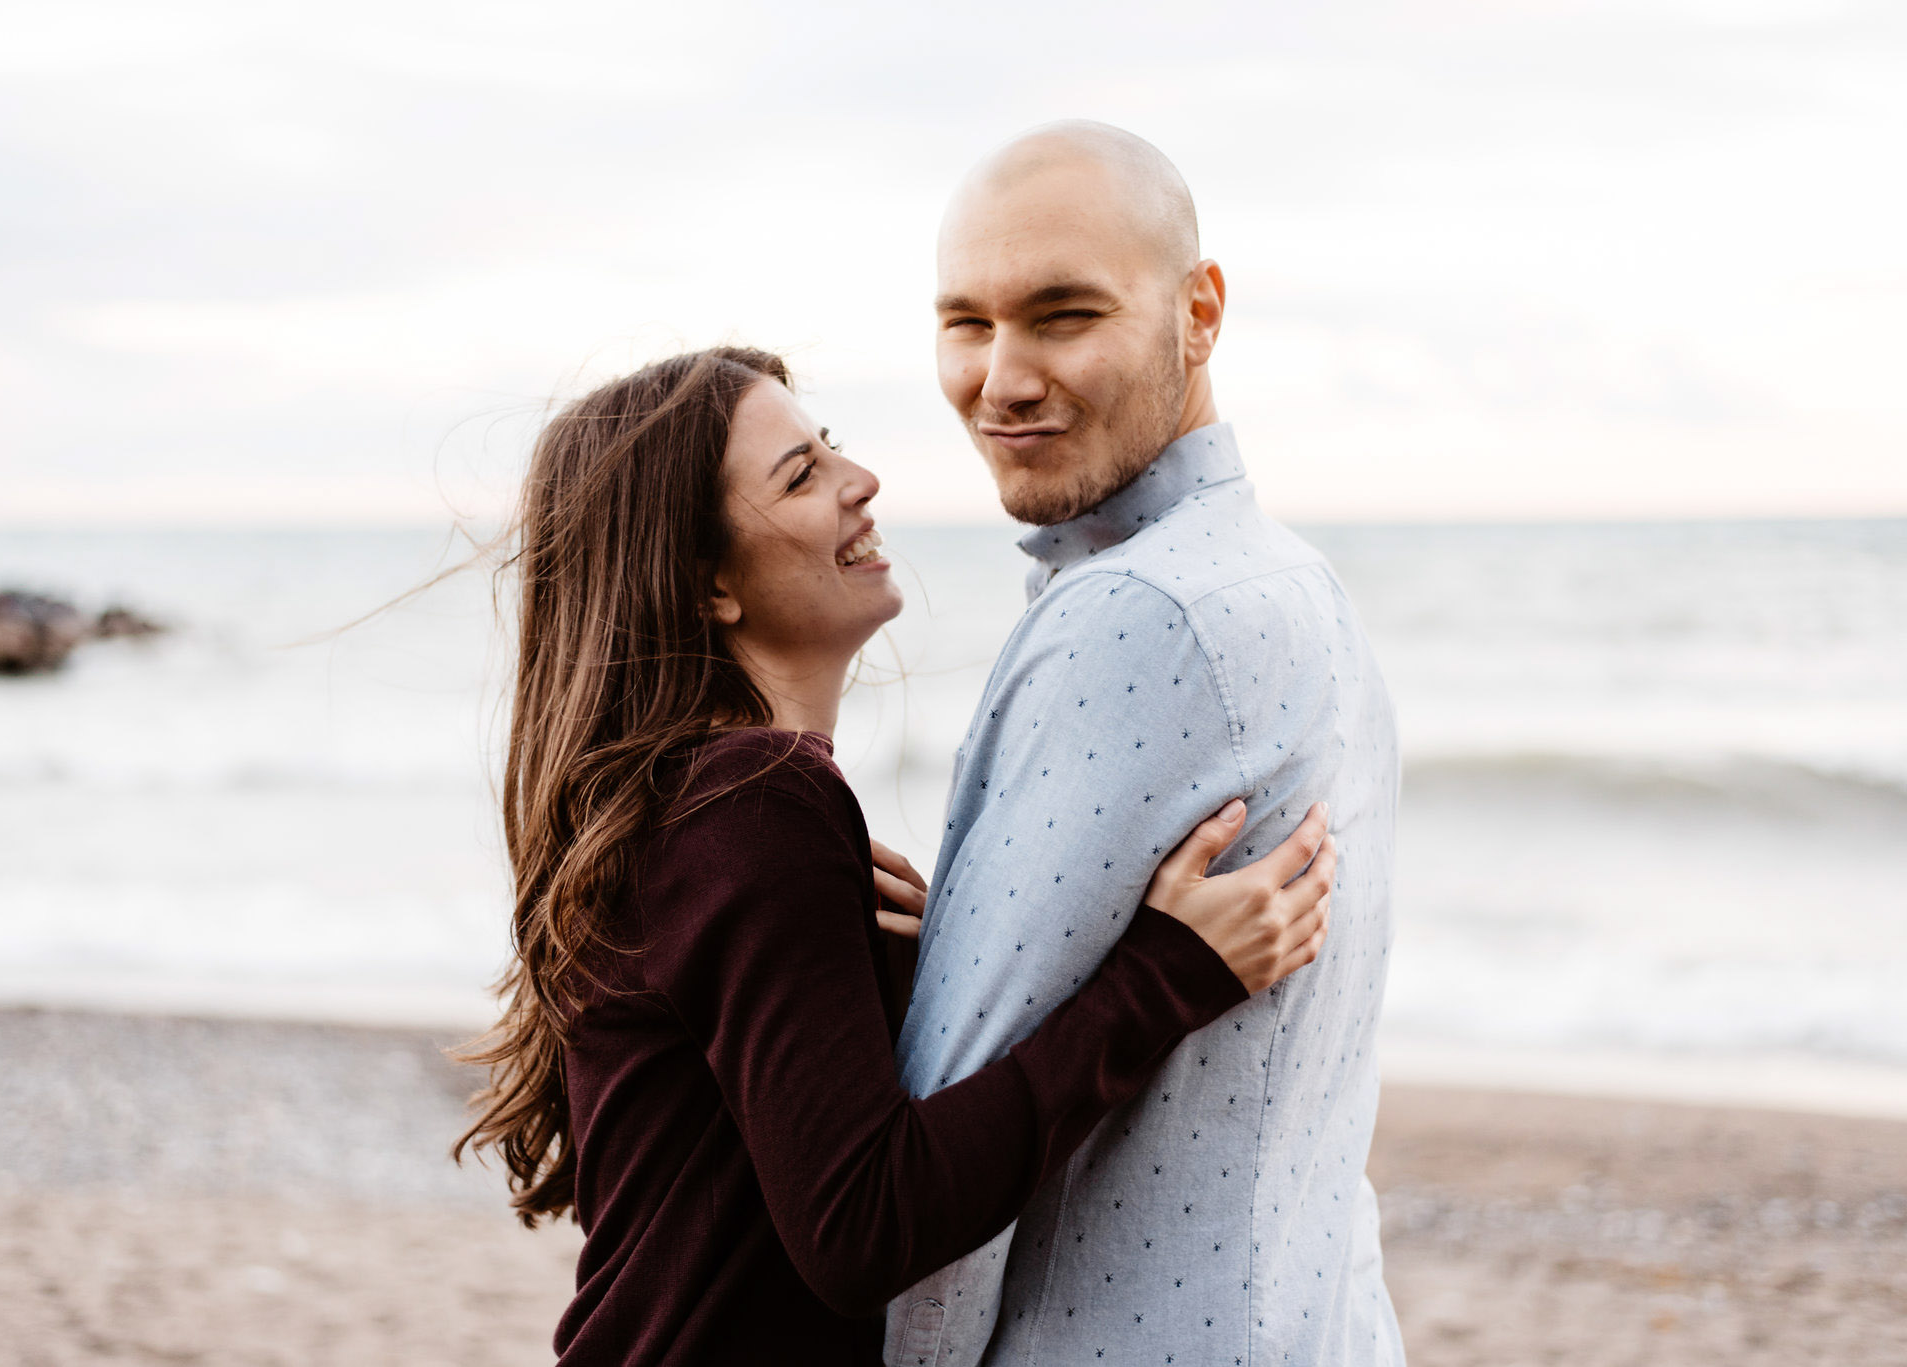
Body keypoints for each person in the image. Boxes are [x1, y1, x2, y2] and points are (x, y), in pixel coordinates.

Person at [453, 346, 1340, 1366]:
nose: (858, 478)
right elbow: (861, 1225)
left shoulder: (689, 806)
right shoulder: (754, 802)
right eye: (799, 474)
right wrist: (1167, 974)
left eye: (826, 445)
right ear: (707, 588)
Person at [884, 123, 1406, 1366]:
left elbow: (943, 1181)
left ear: (1199, 309)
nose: (999, 378)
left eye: (1062, 315)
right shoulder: (1299, 584)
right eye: (964, 321)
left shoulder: (1136, 616)